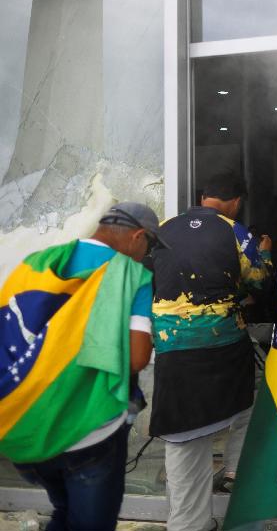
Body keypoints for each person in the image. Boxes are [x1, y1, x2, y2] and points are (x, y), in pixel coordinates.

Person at [0, 203, 161, 531]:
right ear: (138, 236)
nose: (147, 254)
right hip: (89, 432)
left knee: (62, 511)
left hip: (28, 425)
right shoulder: (131, 276)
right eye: (151, 244)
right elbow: (137, 359)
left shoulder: (37, 263)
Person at [151, 173, 273, 531]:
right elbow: (259, 282)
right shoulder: (234, 231)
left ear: (203, 197)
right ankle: (225, 489)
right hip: (221, 350)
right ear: (236, 202)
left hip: (171, 349)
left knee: (184, 435)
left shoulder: (164, 228)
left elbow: (148, 279)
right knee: (249, 404)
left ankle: (193, 519)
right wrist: (265, 253)